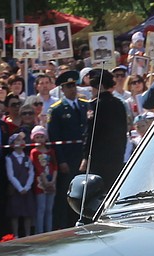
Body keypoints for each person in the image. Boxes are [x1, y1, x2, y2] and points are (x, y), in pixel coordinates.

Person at [46, 69, 88, 228]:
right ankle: (63, 226)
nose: (72, 88)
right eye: (68, 86)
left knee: (84, 193)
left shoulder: (85, 106)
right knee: (66, 194)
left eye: (74, 85)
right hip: (68, 159)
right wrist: (61, 160)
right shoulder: (56, 109)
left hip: (83, 157)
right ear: (62, 89)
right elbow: (54, 137)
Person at [82, 68, 128, 193]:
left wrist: (86, 157)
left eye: (93, 87)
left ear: (100, 86)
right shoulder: (119, 104)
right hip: (116, 156)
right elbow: (123, 131)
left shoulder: (95, 105)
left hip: (98, 157)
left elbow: (91, 133)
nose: (92, 90)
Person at [30, 125, 57, 234]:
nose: (40, 139)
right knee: (41, 208)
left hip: (51, 181)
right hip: (40, 183)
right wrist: (45, 181)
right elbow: (37, 167)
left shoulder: (50, 151)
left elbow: (55, 166)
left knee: (49, 209)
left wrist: (53, 180)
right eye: (37, 137)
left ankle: (49, 231)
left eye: (42, 137)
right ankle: (40, 232)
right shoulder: (34, 152)